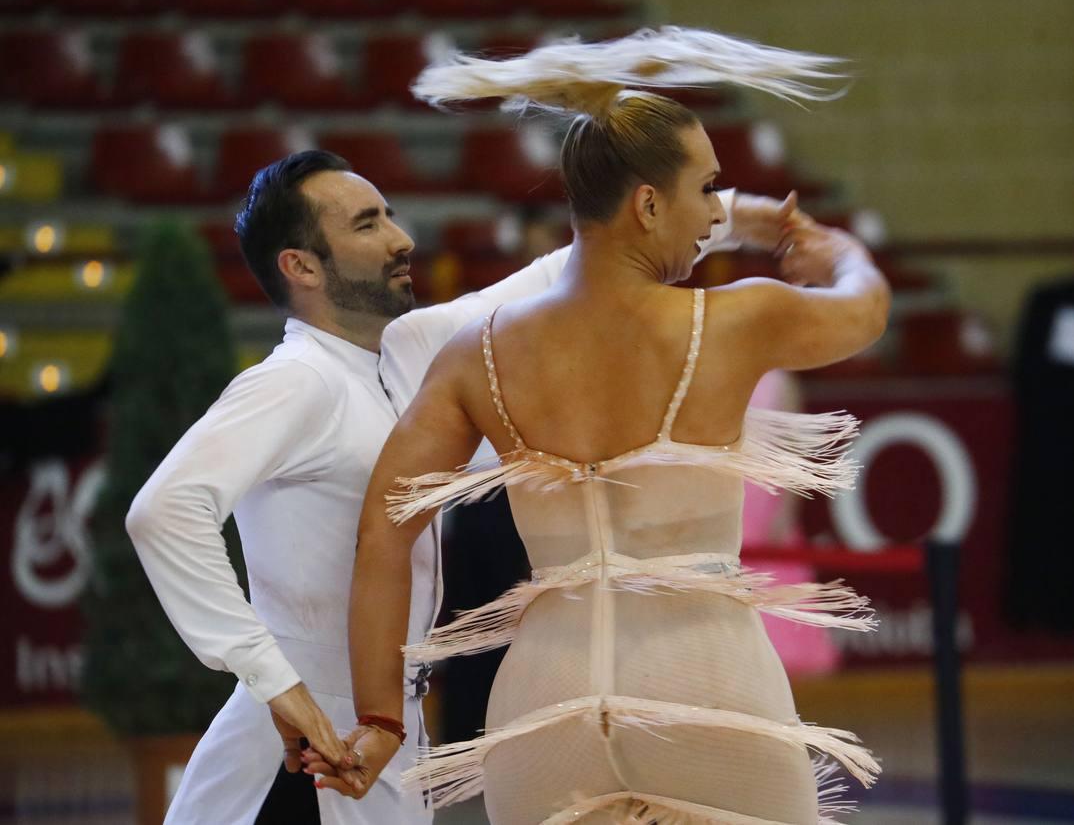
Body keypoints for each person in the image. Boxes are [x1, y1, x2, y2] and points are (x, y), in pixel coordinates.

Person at [125, 144, 794, 823]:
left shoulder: (410, 351)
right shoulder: (294, 381)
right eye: (366, 225)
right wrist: (271, 679)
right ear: (300, 266)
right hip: (301, 755)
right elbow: (164, 510)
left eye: (389, 215)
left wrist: (734, 215)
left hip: (385, 732)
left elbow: (560, 275)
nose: (401, 238)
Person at [322, 28, 890, 824]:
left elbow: (385, 528)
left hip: (545, 702)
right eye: (705, 192)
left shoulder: (477, 351)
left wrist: (381, 716)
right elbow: (865, 310)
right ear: (649, 203)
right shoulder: (735, 321)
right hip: (705, 682)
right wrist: (834, 251)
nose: (711, 215)